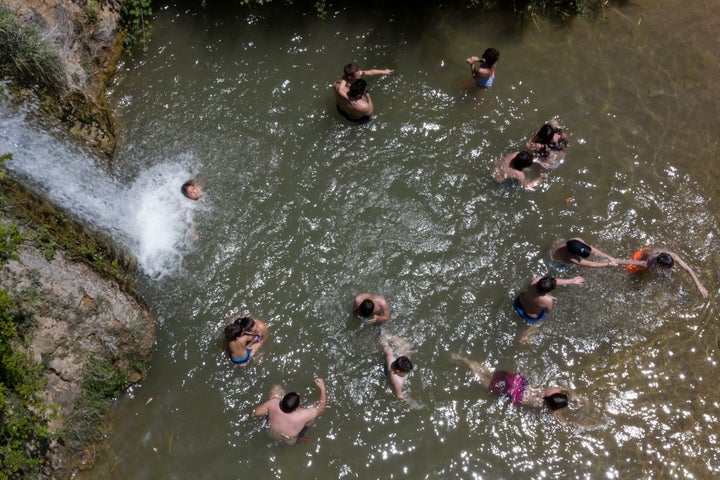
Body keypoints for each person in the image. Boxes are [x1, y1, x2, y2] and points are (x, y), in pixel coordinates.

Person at [451, 353, 579, 425]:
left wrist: (573, 395)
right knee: (485, 381)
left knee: (491, 374)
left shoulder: (553, 391)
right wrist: (574, 425)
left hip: (518, 382)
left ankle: (465, 360)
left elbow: (565, 388)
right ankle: (468, 365)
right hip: (515, 394)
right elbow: (564, 423)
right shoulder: (552, 409)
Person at [253, 378, 327, 445]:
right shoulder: (303, 415)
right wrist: (322, 388)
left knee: (276, 388)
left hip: (271, 433)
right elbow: (321, 409)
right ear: (296, 408)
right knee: (312, 418)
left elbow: (256, 413)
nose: (298, 393)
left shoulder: (274, 402)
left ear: (283, 399)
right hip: (290, 439)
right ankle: (302, 438)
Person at [625, 247, 709, 298]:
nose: (674, 267)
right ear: (660, 266)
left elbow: (687, 269)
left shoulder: (672, 256)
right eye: (671, 266)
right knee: (631, 271)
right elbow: (631, 262)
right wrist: (615, 261)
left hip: (650, 253)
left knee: (672, 271)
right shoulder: (649, 264)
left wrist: (699, 286)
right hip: (639, 256)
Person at [514, 275, 585, 323]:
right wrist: (548, 298)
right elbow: (546, 311)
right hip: (528, 317)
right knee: (542, 320)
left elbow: (553, 282)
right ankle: (526, 336)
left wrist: (571, 281)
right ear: (549, 291)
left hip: (517, 303)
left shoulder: (535, 280)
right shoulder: (548, 301)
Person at [550, 238, 639, 268]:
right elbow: (591, 264)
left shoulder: (576, 240)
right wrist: (608, 264)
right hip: (556, 260)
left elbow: (592, 249)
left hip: (559, 246)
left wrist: (608, 257)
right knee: (580, 268)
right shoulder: (569, 257)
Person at [380, 333, 414, 401]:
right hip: (388, 371)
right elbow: (399, 396)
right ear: (398, 372)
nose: (408, 372)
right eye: (406, 372)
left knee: (406, 345)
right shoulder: (397, 381)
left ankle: (385, 334)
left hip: (394, 358)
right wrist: (410, 401)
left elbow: (387, 349)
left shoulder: (391, 358)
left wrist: (384, 338)